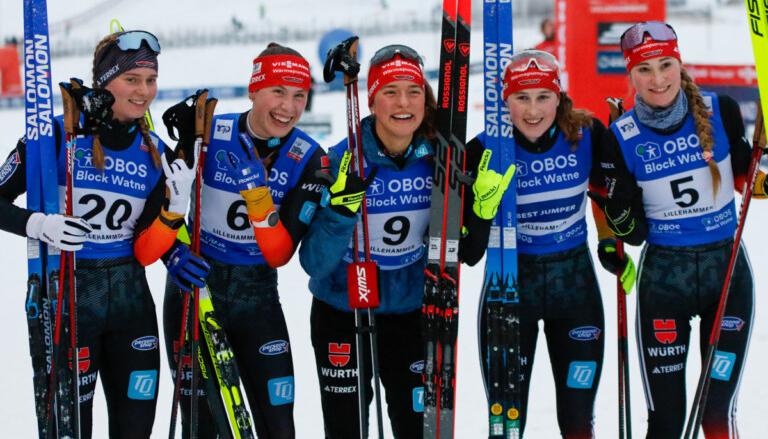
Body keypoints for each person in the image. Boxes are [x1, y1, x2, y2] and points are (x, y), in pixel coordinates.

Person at [0, 29, 209, 438]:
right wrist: (39, 224)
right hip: (70, 296)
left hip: (131, 303)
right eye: (132, 79)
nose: (144, 91)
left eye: (151, 80)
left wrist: (175, 249)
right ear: (105, 82)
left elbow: (149, 237)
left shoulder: (156, 152)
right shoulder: (55, 135)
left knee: (135, 429)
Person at [299, 44, 508, 438]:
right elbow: (314, 263)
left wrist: (478, 215)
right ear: (372, 101)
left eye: (413, 91)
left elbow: (465, 251)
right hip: (343, 309)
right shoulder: (342, 159)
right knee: (347, 428)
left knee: (415, 427)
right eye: (390, 91)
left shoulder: (441, 161)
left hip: (412, 312)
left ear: (425, 102)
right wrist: (340, 214)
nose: (403, 102)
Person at [596, 21, 761, 438]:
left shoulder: (721, 109)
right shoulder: (621, 134)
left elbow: (746, 178)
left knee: (715, 416)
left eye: (665, 65)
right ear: (630, 74)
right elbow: (633, 233)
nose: (657, 79)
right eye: (644, 69)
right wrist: (617, 213)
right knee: (667, 423)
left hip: (727, 273)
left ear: (679, 63)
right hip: (664, 280)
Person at [162, 43, 329, 439]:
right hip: (196, 287)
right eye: (278, 91)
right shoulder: (208, 133)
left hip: (257, 298)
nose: (288, 107)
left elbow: (280, 253)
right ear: (254, 89)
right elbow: (160, 205)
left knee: (278, 426)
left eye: (300, 95)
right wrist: (172, 253)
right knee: (202, 426)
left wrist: (257, 196)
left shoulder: (309, 157)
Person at [469, 48, 625, 437]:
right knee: (506, 424)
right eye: (521, 97)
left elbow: (601, 193)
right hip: (509, 286)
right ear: (505, 101)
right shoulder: (483, 150)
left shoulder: (587, 134)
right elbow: (469, 249)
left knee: (578, 422)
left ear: (559, 96)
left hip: (574, 285)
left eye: (543, 96)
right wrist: (480, 211)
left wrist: (608, 243)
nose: (533, 110)